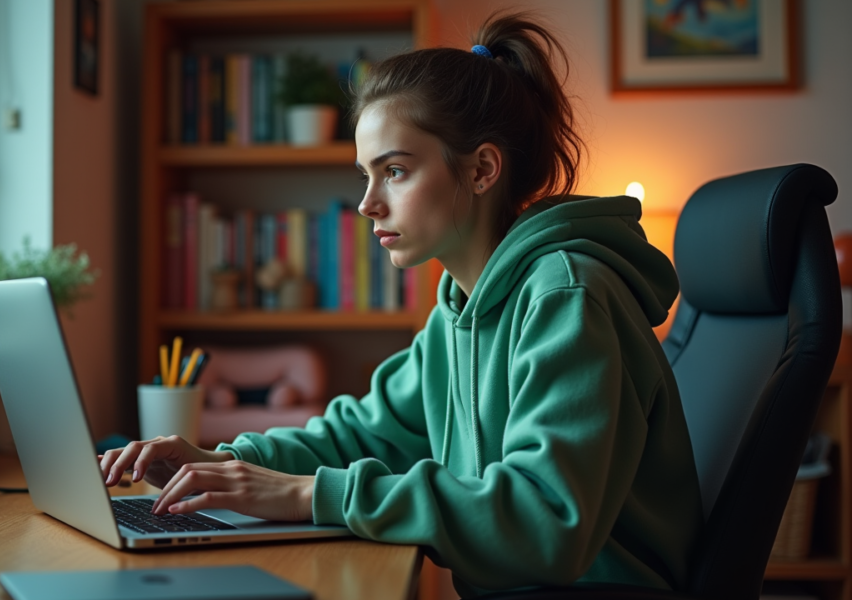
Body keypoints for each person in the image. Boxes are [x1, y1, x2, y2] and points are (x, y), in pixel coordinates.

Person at [101, 11, 703, 597]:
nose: (367, 204)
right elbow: (362, 434)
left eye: (394, 171)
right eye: (365, 174)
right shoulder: (458, 310)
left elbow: (545, 522)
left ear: (482, 169)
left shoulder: (568, 295)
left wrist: (304, 494)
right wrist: (221, 462)